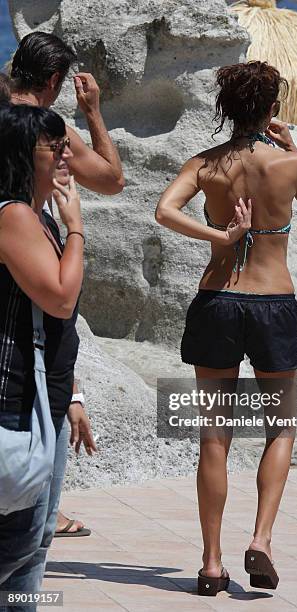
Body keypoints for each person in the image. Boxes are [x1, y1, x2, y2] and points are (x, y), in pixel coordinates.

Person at [156, 61, 297, 595]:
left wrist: (221, 236)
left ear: (226, 109)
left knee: (214, 434)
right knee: (280, 426)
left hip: (218, 300)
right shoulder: (289, 164)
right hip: (273, 301)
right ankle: (262, 540)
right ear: (271, 108)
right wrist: (293, 148)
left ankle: (210, 563)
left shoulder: (206, 164)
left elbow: (164, 210)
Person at [10, 30, 124, 534]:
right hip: (31, 239)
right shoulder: (46, 126)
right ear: (55, 80)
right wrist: (94, 112)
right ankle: (36, 515)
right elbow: (110, 178)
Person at [0, 104, 96, 609]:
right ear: (21, 153)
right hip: (12, 403)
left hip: (46, 399)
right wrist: (77, 226)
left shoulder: (37, 218)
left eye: (65, 144)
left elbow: (56, 324)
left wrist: (74, 392)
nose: (65, 154)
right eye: (52, 146)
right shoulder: (13, 215)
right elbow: (60, 297)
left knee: (33, 550)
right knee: (16, 553)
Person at [10, 31, 124, 195]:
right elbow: (113, 182)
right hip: (25, 219)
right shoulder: (47, 130)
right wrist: (92, 111)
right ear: (54, 80)